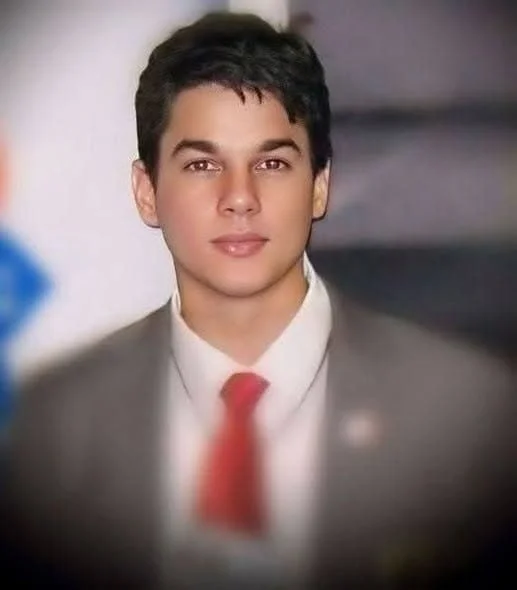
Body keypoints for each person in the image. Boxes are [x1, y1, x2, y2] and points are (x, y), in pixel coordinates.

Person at [3, 11, 515, 590]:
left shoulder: (469, 412)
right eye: (202, 165)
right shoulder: (56, 422)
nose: (239, 197)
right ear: (147, 192)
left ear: (319, 185)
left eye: (271, 163)